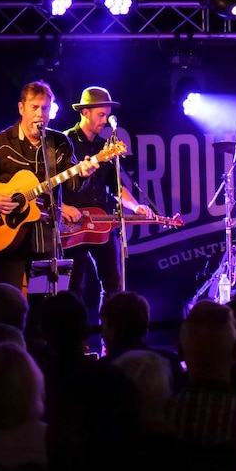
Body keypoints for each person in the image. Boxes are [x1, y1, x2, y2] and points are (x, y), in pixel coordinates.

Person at [0, 80, 100, 290]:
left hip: (46, 243)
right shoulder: (0, 144)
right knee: (9, 304)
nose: (40, 114)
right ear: (22, 108)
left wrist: (84, 174)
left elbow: (72, 186)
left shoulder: (59, 143)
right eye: (35, 107)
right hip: (9, 242)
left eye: (45, 108)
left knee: (44, 305)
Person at [61, 86, 152, 310]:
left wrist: (135, 206)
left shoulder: (105, 147)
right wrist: (61, 207)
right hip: (74, 225)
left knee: (113, 284)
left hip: (102, 222)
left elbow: (116, 186)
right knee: (74, 286)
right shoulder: (64, 142)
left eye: (106, 114)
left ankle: (110, 341)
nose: (105, 119)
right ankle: (75, 341)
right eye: (100, 114)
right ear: (85, 112)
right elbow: (52, 185)